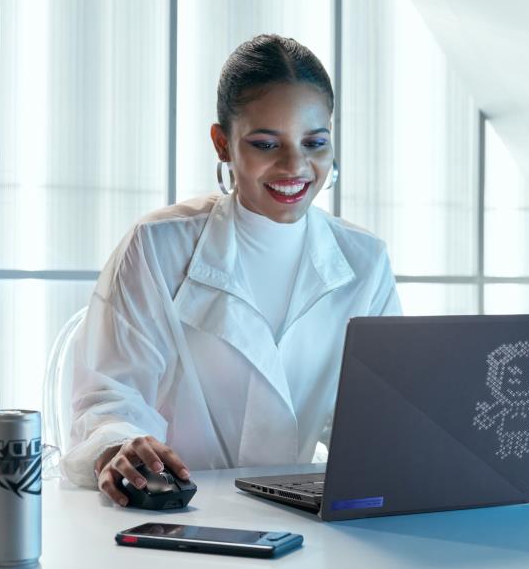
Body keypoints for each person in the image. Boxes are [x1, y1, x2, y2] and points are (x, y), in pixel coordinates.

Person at [61, 34, 402, 506]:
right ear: (223, 144)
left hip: (305, 521)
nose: (295, 167)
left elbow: (382, 413)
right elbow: (108, 394)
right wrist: (119, 444)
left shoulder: (365, 261)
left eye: (315, 142)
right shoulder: (157, 245)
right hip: (178, 514)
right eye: (266, 143)